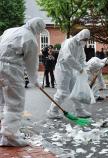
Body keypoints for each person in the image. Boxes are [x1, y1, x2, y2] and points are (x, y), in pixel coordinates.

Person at [0, 17, 46, 146]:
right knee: (15, 104)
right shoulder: (30, 39)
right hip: (11, 70)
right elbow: (31, 64)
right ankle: (10, 137)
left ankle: (3, 132)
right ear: (38, 29)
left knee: (2, 102)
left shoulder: (10, 30)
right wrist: (35, 81)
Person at [47, 29, 91, 119]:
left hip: (71, 70)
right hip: (62, 70)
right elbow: (68, 57)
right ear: (80, 37)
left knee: (75, 91)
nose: (86, 42)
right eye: (85, 39)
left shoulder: (80, 46)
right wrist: (79, 68)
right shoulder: (69, 42)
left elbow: (82, 59)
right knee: (62, 92)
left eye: (87, 40)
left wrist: (85, 69)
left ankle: (80, 110)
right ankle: (52, 111)